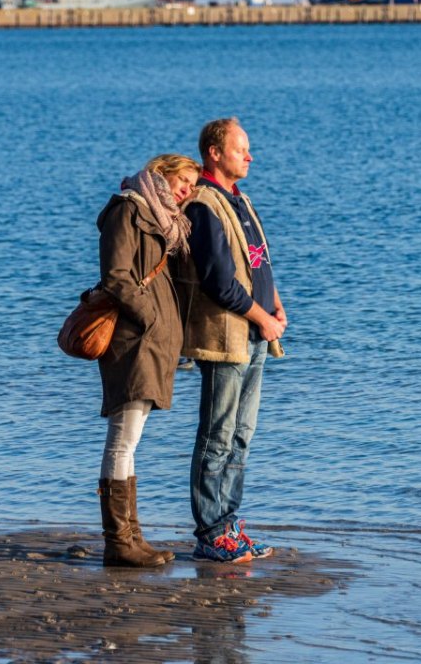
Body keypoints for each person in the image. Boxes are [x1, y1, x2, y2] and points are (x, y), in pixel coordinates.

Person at [175, 117, 286, 564]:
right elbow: (220, 283)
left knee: (242, 435)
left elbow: (258, 262)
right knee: (217, 435)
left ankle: (230, 522)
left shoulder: (240, 200)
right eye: (242, 149)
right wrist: (263, 316)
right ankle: (210, 531)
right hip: (227, 338)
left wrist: (276, 307)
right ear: (214, 153)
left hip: (257, 333)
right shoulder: (203, 204)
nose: (250, 156)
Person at [95, 153, 200, 567]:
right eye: (184, 180)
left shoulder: (160, 218)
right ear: (162, 172)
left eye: (193, 184)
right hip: (133, 340)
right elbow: (116, 276)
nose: (187, 189)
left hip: (151, 342)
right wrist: (151, 317)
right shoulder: (127, 209)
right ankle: (119, 542)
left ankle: (130, 537)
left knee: (130, 441)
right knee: (123, 439)